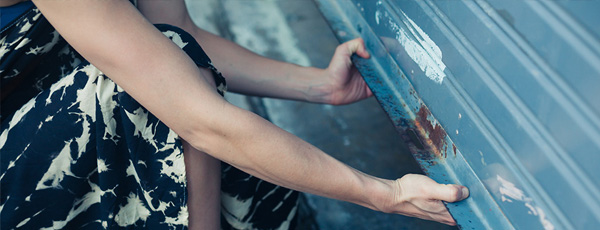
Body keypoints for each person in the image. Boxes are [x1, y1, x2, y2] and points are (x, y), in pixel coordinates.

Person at [0, 0, 469, 229]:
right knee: (161, 108)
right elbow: (199, 118)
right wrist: (382, 192)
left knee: (180, 85)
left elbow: (178, 33)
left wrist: (320, 86)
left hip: (67, 135)